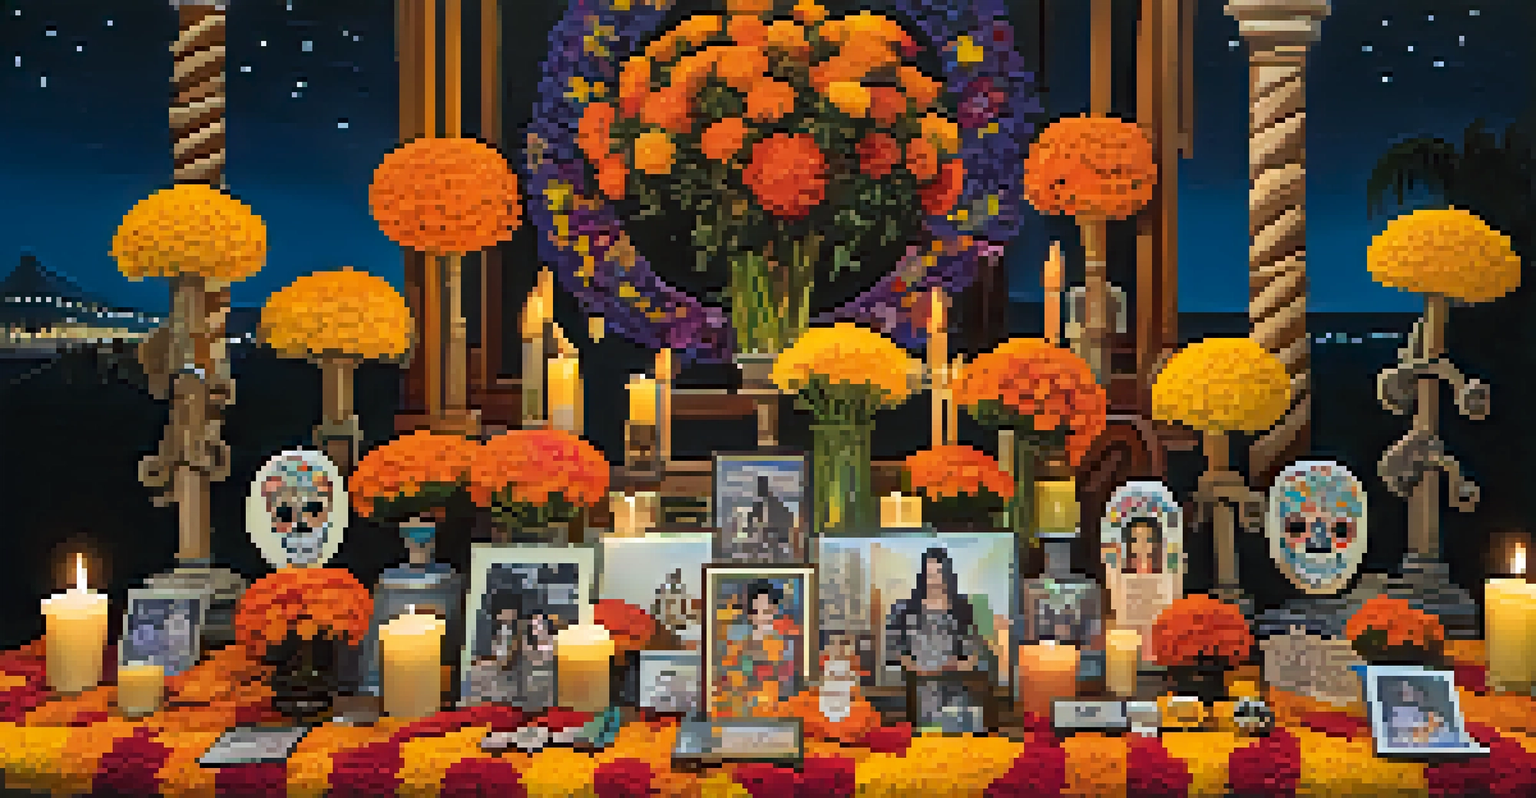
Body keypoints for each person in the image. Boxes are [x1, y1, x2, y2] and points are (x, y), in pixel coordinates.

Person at [885, 548, 987, 731]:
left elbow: (974, 654)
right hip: (917, 693)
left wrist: (957, 665)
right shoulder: (905, 610)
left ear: (947, 574)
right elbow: (893, 650)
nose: (934, 581)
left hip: (954, 691)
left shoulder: (963, 609)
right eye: (930, 574)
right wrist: (913, 666)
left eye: (939, 573)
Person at [715, 580, 797, 717]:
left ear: (775, 610)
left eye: (767, 610)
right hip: (739, 708)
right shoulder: (737, 640)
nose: (762, 616)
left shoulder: (784, 644)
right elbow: (727, 675)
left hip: (771, 708)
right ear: (750, 613)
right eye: (757, 611)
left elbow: (786, 686)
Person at [463, 590, 529, 707]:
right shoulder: (487, 629)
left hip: (510, 677)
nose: (512, 615)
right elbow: (478, 658)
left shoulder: (520, 632)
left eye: (513, 611)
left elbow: (515, 661)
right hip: (491, 673)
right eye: (508, 611)